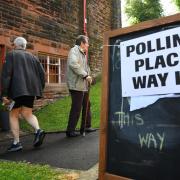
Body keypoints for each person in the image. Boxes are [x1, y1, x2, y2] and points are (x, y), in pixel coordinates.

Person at [1, 37, 46, 152]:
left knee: (13, 115)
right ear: (25, 46)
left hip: (17, 91)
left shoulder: (11, 55)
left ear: (15, 45)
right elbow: (42, 74)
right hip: (31, 91)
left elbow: (6, 75)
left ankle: (16, 143)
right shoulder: (33, 57)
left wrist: (4, 94)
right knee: (27, 113)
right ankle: (38, 130)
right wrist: (40, 89)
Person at [66, 35, 96, 137]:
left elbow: (85, 67)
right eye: (87, 42)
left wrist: (89, 75)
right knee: (76, 107)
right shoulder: (74, 50)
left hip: (84, 85)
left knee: (87, 105)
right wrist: (85, 75)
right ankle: (70, 131)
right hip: (76, 85)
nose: (88, 45)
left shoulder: (83, 53)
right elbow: (73, 64)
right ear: (82, 43)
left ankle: (86, 126)